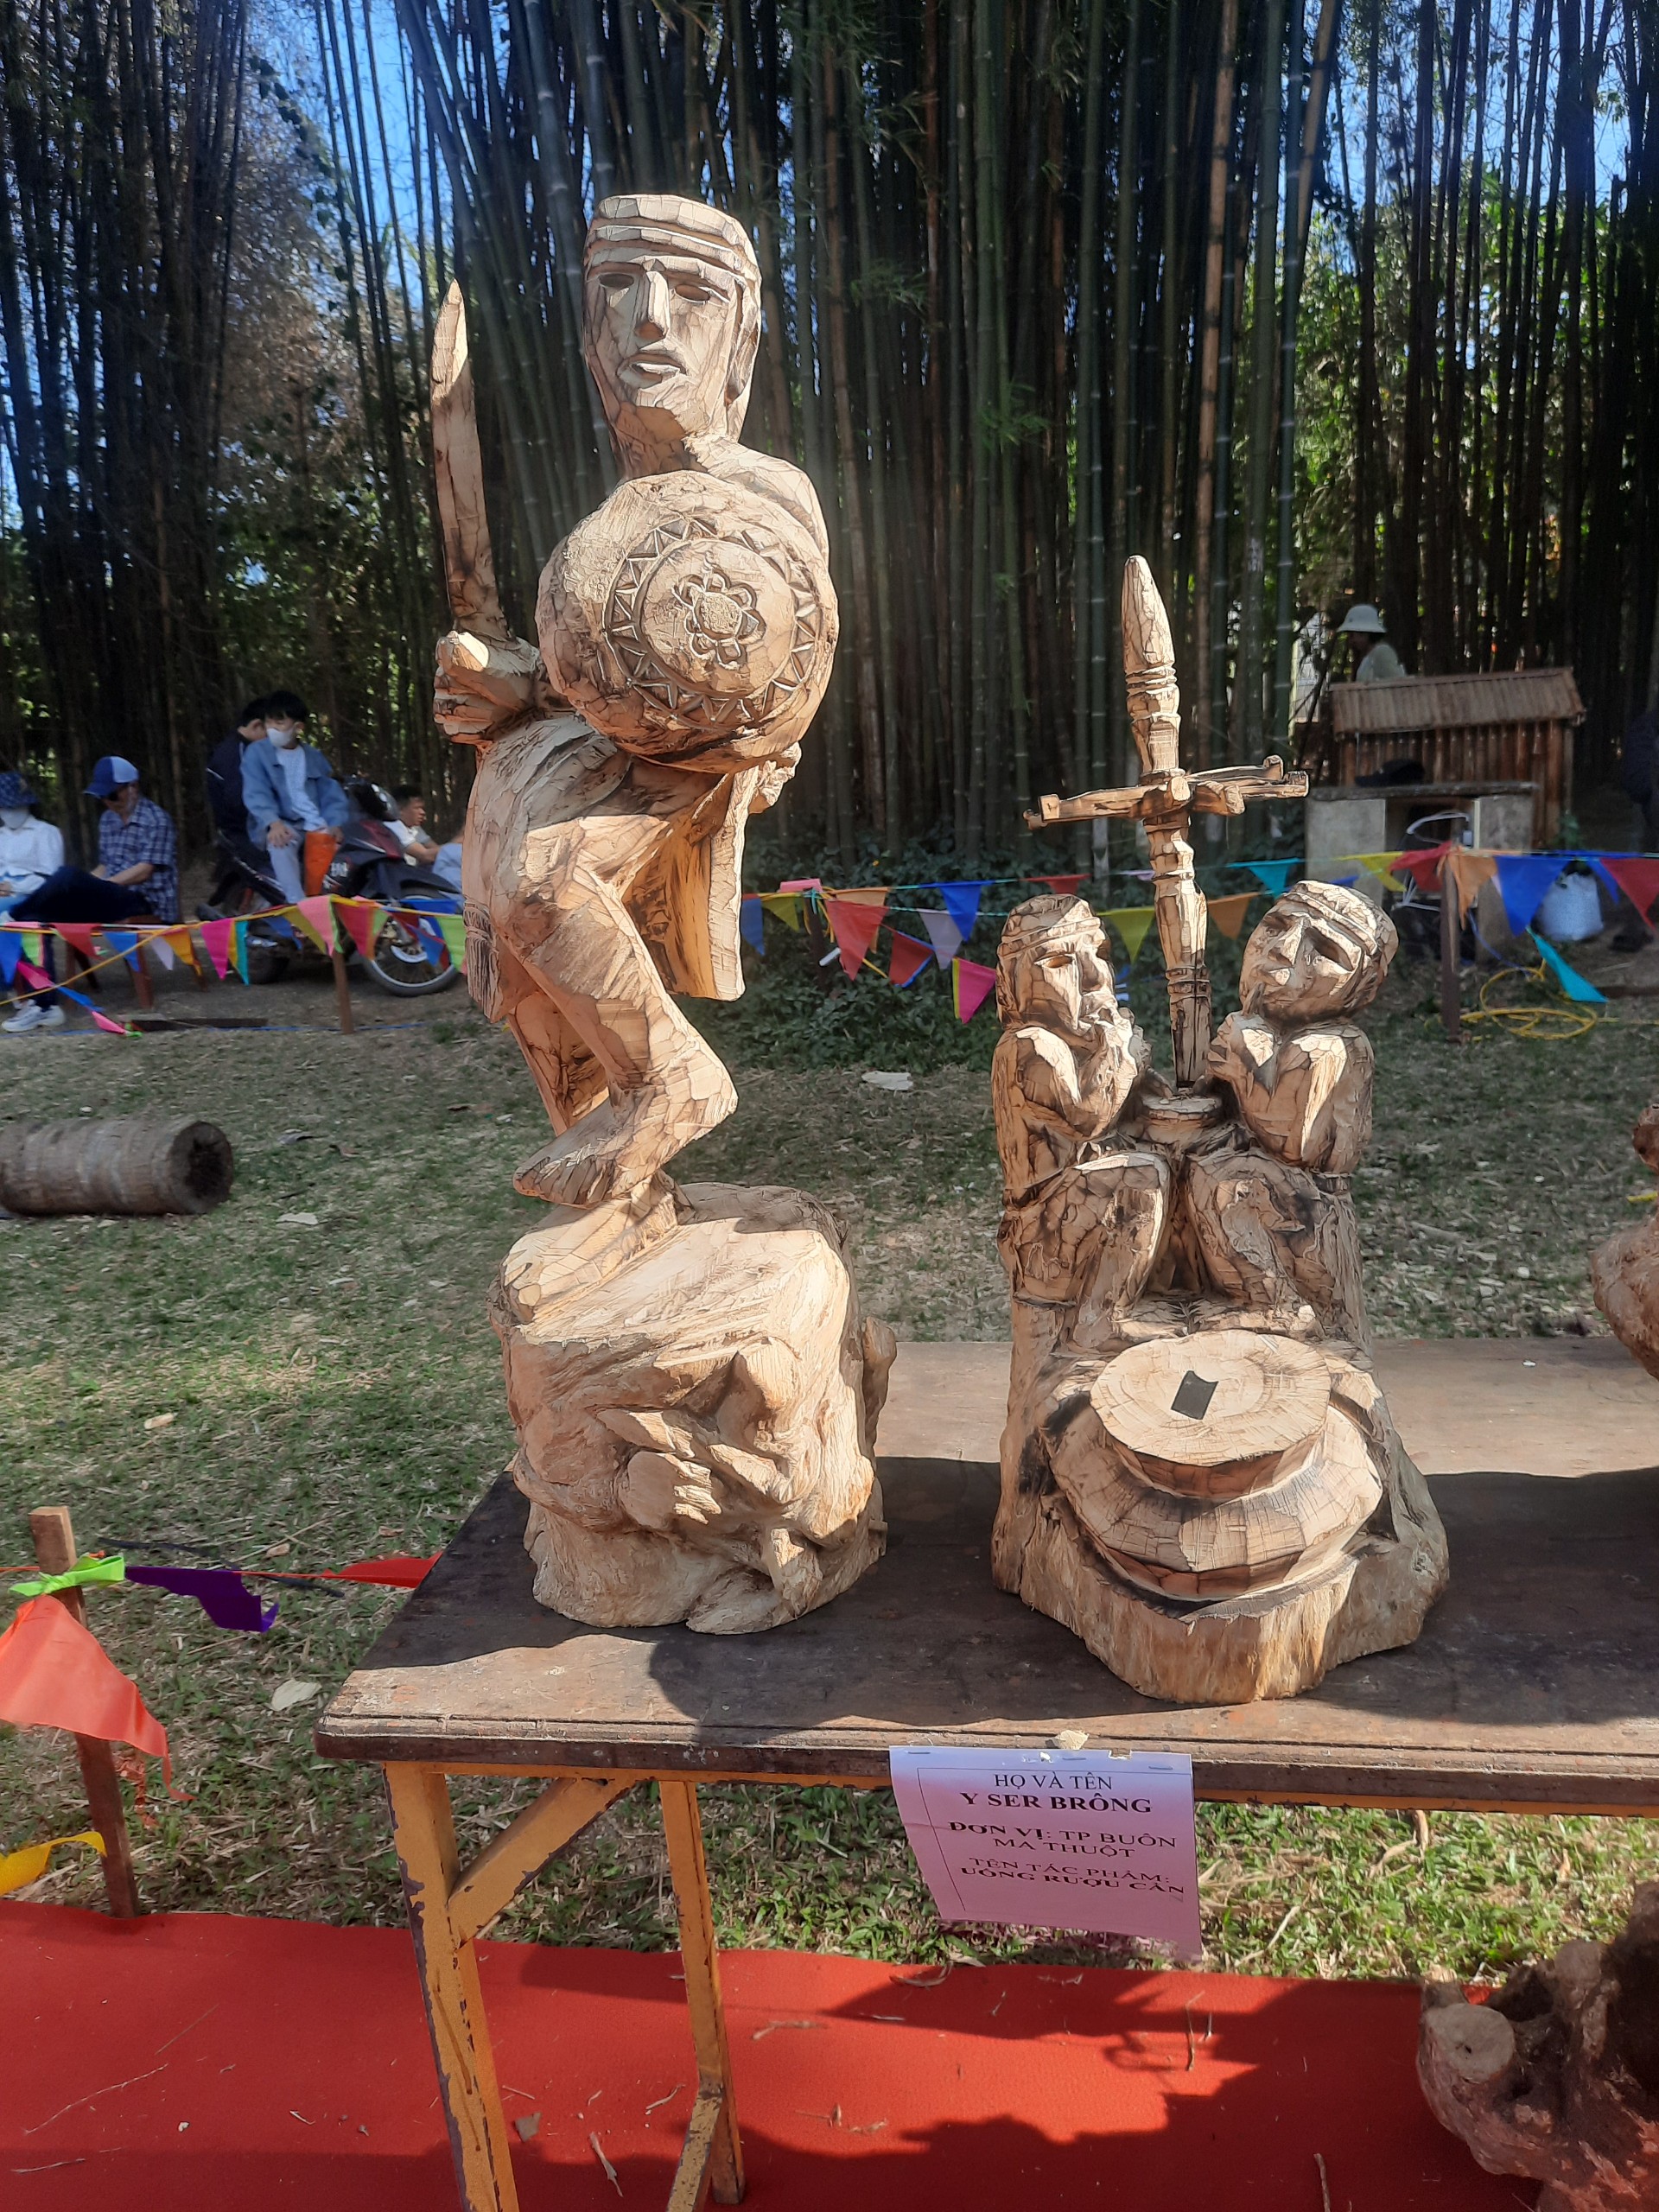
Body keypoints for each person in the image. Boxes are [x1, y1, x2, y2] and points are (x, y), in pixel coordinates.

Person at [3, 755, 178, 1033]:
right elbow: (104, 865)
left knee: (66, 876)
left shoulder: (156, 819)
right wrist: (88, 884)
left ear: (132, 787)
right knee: (35, 918)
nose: (108, 802)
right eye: (102, 797)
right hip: (110, 894)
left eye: (112, 795)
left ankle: (12, 914)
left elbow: (145, 870)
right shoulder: (108, 820)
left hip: (143, 898)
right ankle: (45, 1005)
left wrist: (96, 885)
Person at [240, 690, 350, 904]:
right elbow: (256, 792)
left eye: (279, 722)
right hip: (282, 823)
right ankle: (297, 905)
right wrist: (273, 823)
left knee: (343, 854)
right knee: (280, 843)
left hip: (315, 823)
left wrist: (336, 822)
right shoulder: (257, 753)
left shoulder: (313, 756)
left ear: (298, 727)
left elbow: (331, 793)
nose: (272, 728)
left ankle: (326, 904)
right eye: (269, 722)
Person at [205, 699, 266, 850]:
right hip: (244, 835)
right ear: (257, 725)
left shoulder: (241, 748)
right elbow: (239, 800)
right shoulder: (235, 754)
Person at [0, 772, 66, 905]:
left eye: (14, 807)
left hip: (32, 895)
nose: (9, 812)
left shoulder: (45, 832)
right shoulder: (2, 835)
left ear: (26, 805)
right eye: (3, 808)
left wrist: (14, 887)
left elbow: (51, 877)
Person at [1335, 604, 1408, 684]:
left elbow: (1398, 684)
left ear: (1365, 633)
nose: (1351, 641)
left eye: (1352, 635)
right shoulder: (1366, 658)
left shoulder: (1382, 652)